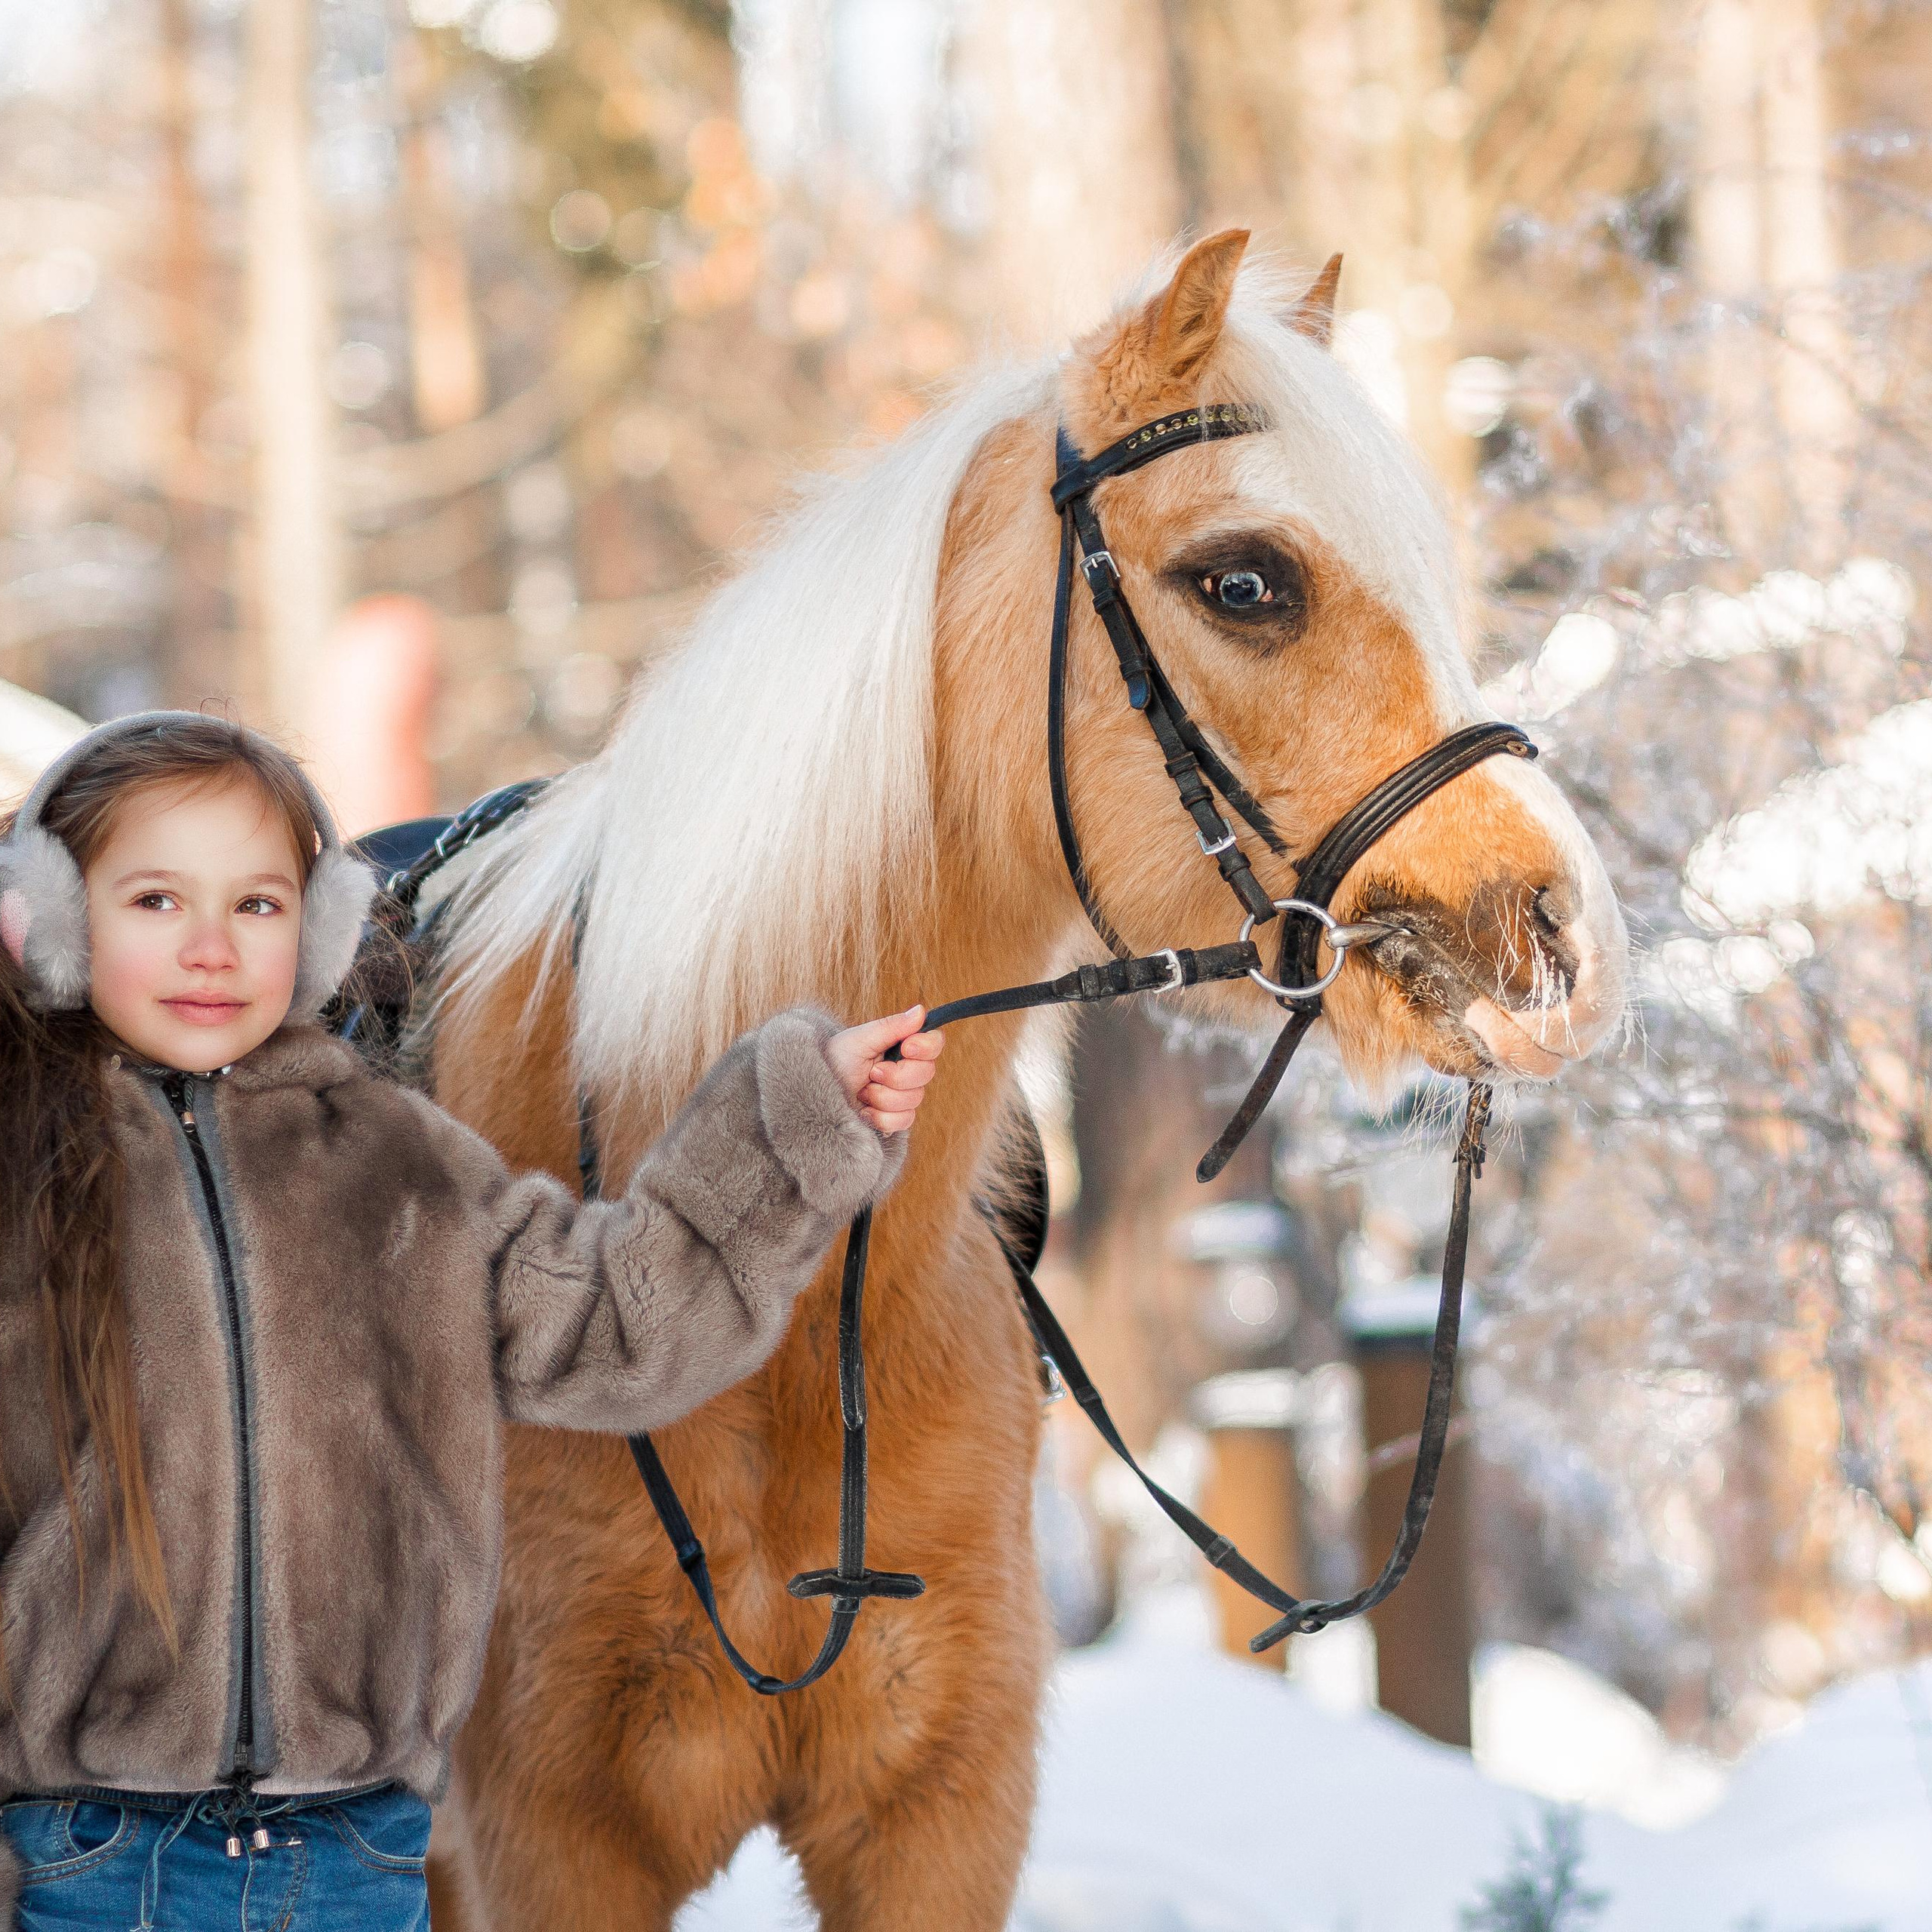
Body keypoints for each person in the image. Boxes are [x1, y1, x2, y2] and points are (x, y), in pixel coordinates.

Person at [0, 709, 946, 1932]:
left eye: (257, 905)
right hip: (80, 1855)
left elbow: (619, 1327)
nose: (211, 949)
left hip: (349, 1853)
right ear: (54, 923)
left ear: (322, 927)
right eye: (154, 903)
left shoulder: (395, 1168)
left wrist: (794, 1126)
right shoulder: (23, 1176)